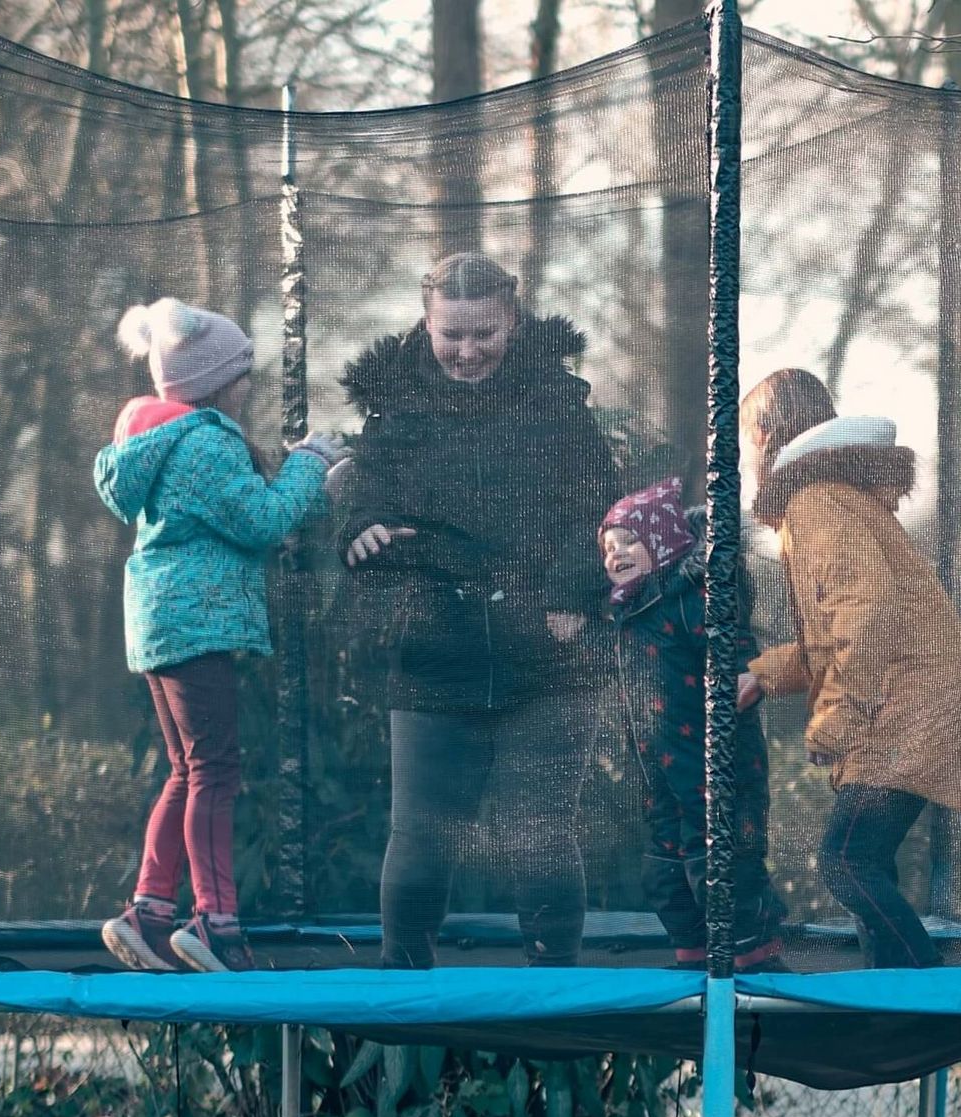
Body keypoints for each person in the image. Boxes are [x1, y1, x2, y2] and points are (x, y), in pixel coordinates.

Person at [337, 251, 620, 969]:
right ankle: (403, 985)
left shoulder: (558, 406)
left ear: (512, 322)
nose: (467, 351)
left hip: (547, 652)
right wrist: (360, 526)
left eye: (483, 334)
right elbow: (363, 494)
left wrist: (570, 591)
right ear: (426, 323)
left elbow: (599, 511)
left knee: (540, 830)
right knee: (421, 832)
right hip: (435, 642)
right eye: (451, 334)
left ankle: (555, 986)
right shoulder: (394, 408)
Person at [94, 297, 346, 973]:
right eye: (242, 374)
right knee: (214, 770)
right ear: (213, 382)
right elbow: (261, 520)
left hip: (163, 620)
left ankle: (148, 913)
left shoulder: (162, 441)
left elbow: (242, 510)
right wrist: (310, 463)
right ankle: (215, 922)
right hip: (195, 620)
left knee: (186, 768)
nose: (247, 386)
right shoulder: (204, 441)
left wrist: (312, 483)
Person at [736, 368, 961, 969]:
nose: (746, 457)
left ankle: (921, 993)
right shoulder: (840, 500)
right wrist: (763, 674)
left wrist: (834, 724)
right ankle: (895, 987)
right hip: (920, 701)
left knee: (846, 862)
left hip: (909, 711)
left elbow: (865, 618)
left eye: (746, 439)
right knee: (865, 862)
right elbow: (836, 633)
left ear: (768, 434)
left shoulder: (815, 502)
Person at [600, 478, 790, 973]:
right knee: (663, 867)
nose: (615, 555)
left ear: (663, 541)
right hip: (658, 769)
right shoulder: (628, 611)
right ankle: (693, 953)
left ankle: (752, 956)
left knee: (722, 855)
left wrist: (739, 683)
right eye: (608, 548)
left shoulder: (692, 596)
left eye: (628, 542)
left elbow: (733, 651)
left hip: (715, 760)